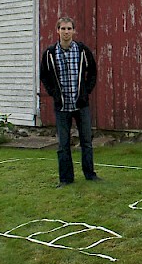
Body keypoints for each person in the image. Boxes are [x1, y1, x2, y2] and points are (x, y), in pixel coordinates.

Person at [39, 16, 101, 187]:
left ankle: (90, 174)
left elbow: (93, 72)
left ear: (74, 31)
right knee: (63, 144)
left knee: (86, 142)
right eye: (63, 29)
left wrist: (86, 91)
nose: (66, 32)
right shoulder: (50, 53)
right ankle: (66, 179)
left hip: (80, 105)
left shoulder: (82, 51)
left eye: (69, 29)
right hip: (62, 106)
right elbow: (44, 76)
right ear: (57, 31)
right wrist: (54, 94)